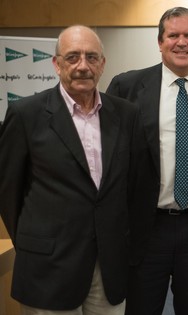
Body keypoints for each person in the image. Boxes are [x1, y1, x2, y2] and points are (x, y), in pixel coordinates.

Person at [105, 7, 188, 315]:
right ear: (160, 42)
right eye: (173, 35)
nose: (182, 42)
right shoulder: (127, 87)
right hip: (145, 227)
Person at [0, 25, 138, 314]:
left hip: (108, 266)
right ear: (56, 63)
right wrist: (37, 241)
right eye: (73, 57)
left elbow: (133, 186)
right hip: (48, 267)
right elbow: (8, 192)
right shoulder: (26, 115)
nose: (82, 66)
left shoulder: (126, 114)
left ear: (102, 64)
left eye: (91, 57)